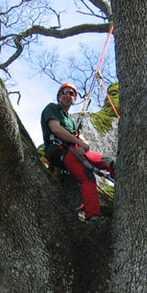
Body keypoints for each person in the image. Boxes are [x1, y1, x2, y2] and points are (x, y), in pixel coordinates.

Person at [41, 82, 116, 222]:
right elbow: (56, 129)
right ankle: (93, 217)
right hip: (58, 151)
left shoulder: (71, 121)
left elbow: (84, 141)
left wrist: (83, 145)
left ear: (75, 99)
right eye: (65, 92)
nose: (68, 96)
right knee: (87, 176)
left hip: (73, 151)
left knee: (111, 162)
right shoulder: (52, 109)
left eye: (72, 94)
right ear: (59, 96)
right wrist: (79, 143)